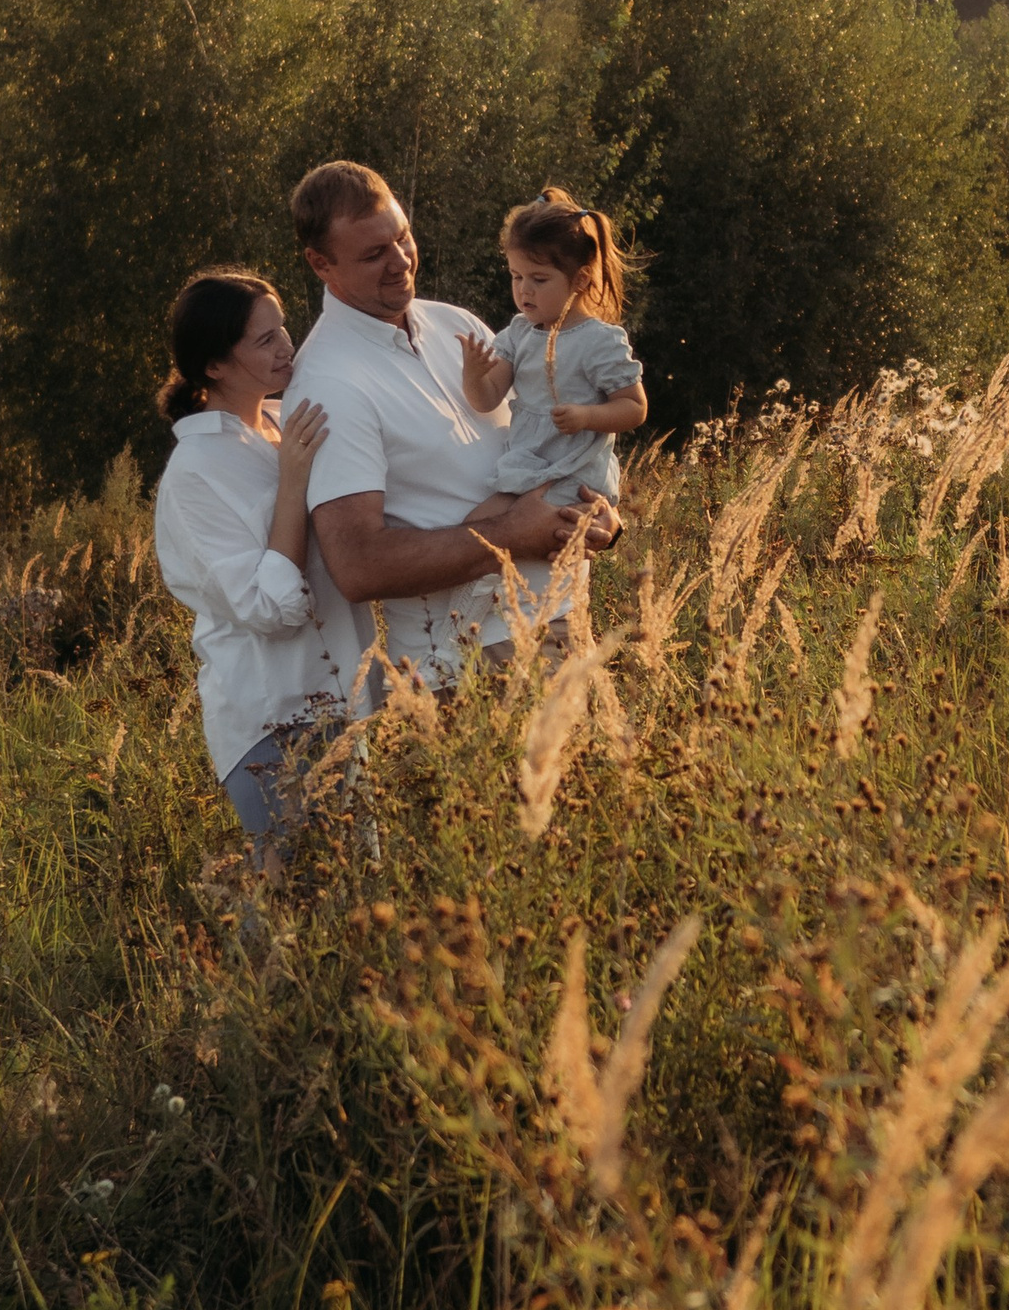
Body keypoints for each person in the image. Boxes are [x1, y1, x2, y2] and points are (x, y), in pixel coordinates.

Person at [282, 160, 610, 691]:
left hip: (565, 620)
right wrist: (507, 536)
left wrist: (599, 517)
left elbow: (547, 440)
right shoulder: (328, 384)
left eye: (403, 237)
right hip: (468, 664)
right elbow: (358, 565)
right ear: (321, 264)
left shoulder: (454, 324)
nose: (400, 262)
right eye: (373, 254)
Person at [150, 270, 361, 854]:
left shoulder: (281, 422)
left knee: (357, 901)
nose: (286, 346)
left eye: (283, 329)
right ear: (215, 365)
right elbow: (270, 607)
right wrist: (293, 481)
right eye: (264, 340)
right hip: (274, 721)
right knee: (295, 915)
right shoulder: (194, 472)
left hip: (342, 700)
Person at [461, 187, 647, 516]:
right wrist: (474, 375)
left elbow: (634, 408)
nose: (523, 290)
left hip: (575, 474)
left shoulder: (598, 340)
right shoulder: (520, 333)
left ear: (580, 279)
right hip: (529, 467)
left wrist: (588, 416)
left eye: (539, 279)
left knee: (486, 528)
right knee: (477, 527)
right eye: (516, 276)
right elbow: (487, 398)